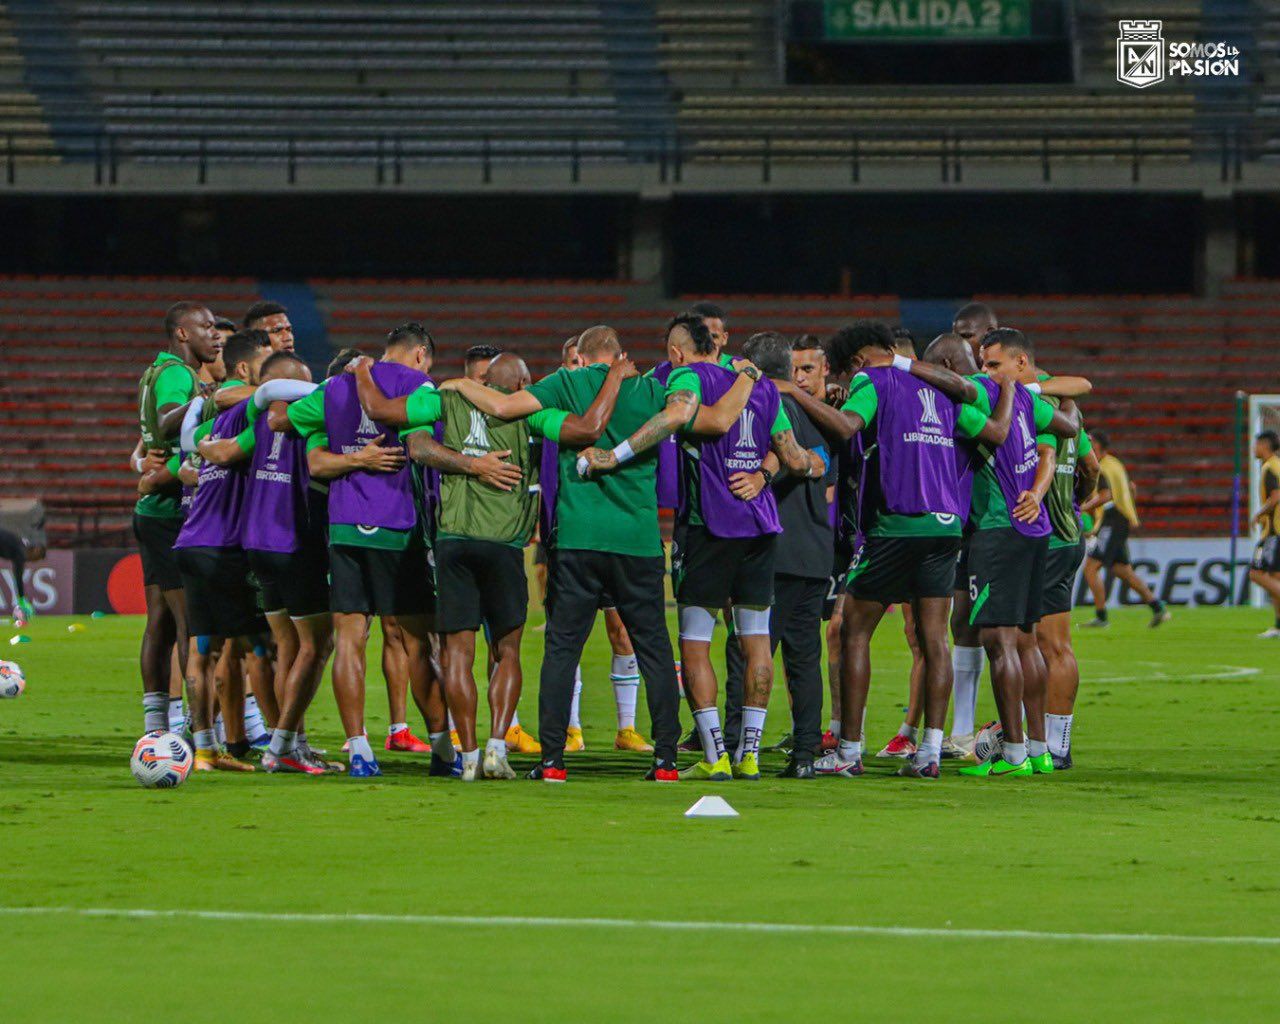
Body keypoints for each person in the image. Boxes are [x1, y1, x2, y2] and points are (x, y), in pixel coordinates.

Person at [450, 322, 750, 781]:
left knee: (562, 650)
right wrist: (751, 377)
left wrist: (456, 383)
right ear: (619, 354)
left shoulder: (567, 382)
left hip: (577, 542)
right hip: (638, 542)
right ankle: (666, 761)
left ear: (584, 357)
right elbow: (714, 421)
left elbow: (505, 405)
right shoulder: (653, 390)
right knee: (653, 649)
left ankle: (552, 762)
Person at [355, 349, 627, 779]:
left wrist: (363, 370)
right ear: (521, 386)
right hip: (502, 546)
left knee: (457, 655)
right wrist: (614, 378)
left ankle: (467, 759)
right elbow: (587, 427)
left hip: (453, 543)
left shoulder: (443, 400)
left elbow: (381, 412)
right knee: (507, 651)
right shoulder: (532, 414)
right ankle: (498, 747)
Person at [582, 315, 815, 781]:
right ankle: (749, 754)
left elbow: (674, 416)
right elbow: (793, 456)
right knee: (757, 644)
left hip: (709, 526)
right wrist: (774, 472)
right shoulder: (764, 388)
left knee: (695, 643)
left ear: (677, 352)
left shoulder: (690, 376)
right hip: (761, 527)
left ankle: (714, 755)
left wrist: (615, 455)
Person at [783, 321, 1009, 779]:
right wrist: (1010, 392)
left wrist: (794, 393)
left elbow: (848, 427)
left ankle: (848, 751)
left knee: (852, 631)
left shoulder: (874, 380)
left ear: (858, 362)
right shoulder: (941, 392)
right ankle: (928, 753)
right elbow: (991, 433)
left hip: (895, 524)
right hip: (945, 526)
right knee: (934, 639)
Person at [274, 322, 454, 778]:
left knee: (350, 642)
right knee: (419, 643)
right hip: (401, 525)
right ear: (419, 356)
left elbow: (281, 421)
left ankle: (359, 751)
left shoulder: (334, 386)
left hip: (345, 527)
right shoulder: (420, 385)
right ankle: (441, 752)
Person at [724, 331, 832, 778]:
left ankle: (733, 746)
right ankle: (805, 754)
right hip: (814, 553)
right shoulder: (818, 417)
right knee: (805, 658)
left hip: (772, 550)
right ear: (788, 370)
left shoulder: (757, 407)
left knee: (746, 653)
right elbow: (821, 468)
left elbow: (773, 459)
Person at [173, 329, 276, 772]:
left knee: (205, 648)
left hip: (193, 541)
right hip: (224, 548)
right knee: (266, 647)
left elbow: (186, 459)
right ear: (244, 371)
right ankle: (282, 744)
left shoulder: (210, 424)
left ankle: (204, 749)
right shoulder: (254, 418)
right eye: (266, 364)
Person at [132, 301, 222, 735]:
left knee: (161, 621)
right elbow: (168, 424)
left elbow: (148, 439)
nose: (215, 334)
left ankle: (156, 724)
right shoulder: (177, 374)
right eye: (205, 327)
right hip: (169, 510)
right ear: (182, 334)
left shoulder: (155, 371)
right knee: (188, 622)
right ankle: (197, 727)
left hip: (153, 510)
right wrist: (206, 399)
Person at [1080, 430, 1171, 628]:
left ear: (1098, 446)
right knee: (1123, 571)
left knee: (1091, 567)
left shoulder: (1102, 467)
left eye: (1091, 443)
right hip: (1120, 518)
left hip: (1113, 519)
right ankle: (1158, 608)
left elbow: (1106, 496)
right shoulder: (1115, 464)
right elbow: (1130, 488)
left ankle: (1101, 616)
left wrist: (1081, 508)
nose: (1089, 447)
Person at [1250, 430, 1280, 637]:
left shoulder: (1270, 467)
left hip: (1273, 530)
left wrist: (1258, 514)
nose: (1254, 449)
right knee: (1275, 576)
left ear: (1264, 445)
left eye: (1256, 444)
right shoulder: (1278, 464)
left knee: (1256, 573)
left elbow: (1276, 496)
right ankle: (1278, 626)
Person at [0, 527, 43, 626]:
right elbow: (18, 577)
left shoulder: (22, 544)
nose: (33, 561)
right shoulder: (21, 552)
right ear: (35, 551)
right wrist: (22, 598)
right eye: (35, 559)